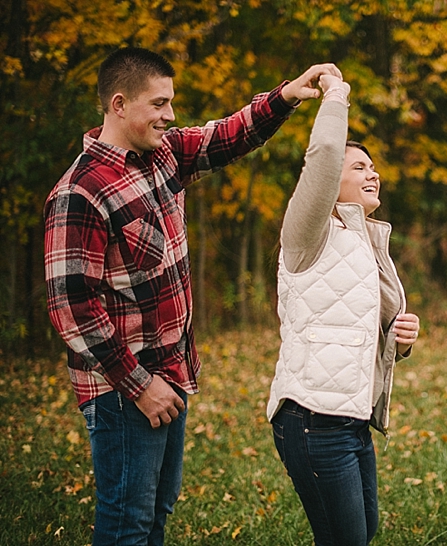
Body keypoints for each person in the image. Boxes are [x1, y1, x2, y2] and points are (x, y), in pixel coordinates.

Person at [43, 46, 341, 546]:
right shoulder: (81, 191)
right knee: (126, 526)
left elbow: (226, 136)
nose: (170, 115)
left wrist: (288, 95)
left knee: (156, 516)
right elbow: (71, 309)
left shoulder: (162, 156)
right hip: (124, 393)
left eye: (171, 103)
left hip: (170, 379)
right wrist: (138, 385)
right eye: (158, 104)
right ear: (118, 104)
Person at [266, 74, 420, 545]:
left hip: (350, 421)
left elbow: (349, 329)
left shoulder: (366, 239)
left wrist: (399, 337)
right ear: (331, 181)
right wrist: (336, 96)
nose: (372, 173)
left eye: (372, 166)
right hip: (312, 421)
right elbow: (324, 157)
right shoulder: (307, 233)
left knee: (362, 531)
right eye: (358, 167)